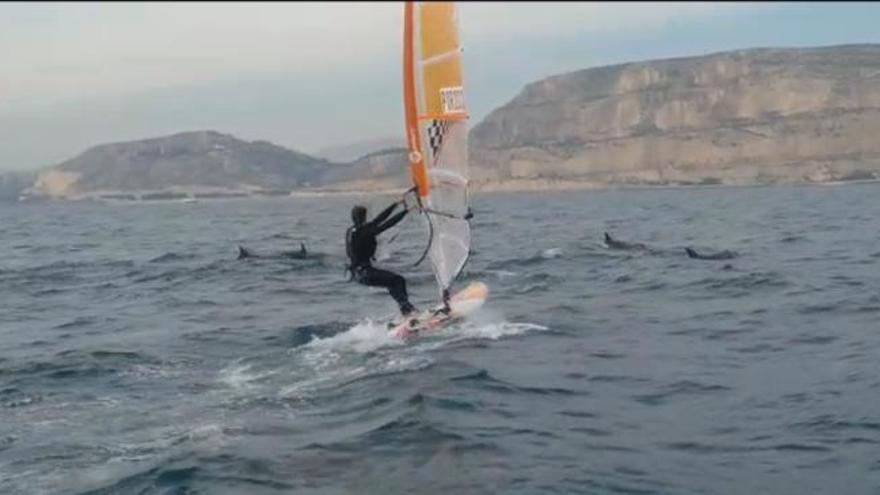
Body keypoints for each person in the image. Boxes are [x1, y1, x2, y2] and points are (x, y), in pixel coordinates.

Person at [345, 198, 417, 317]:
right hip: (365, 273)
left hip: (357, 273)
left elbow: (378, 220)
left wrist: (396, 204)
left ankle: (406, 309)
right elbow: (386, 225)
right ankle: (407, 310)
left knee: (392, 282)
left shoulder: (351, 231)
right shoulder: (364, 232)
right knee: (398, 280)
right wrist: (406, 211)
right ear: (364, 218)